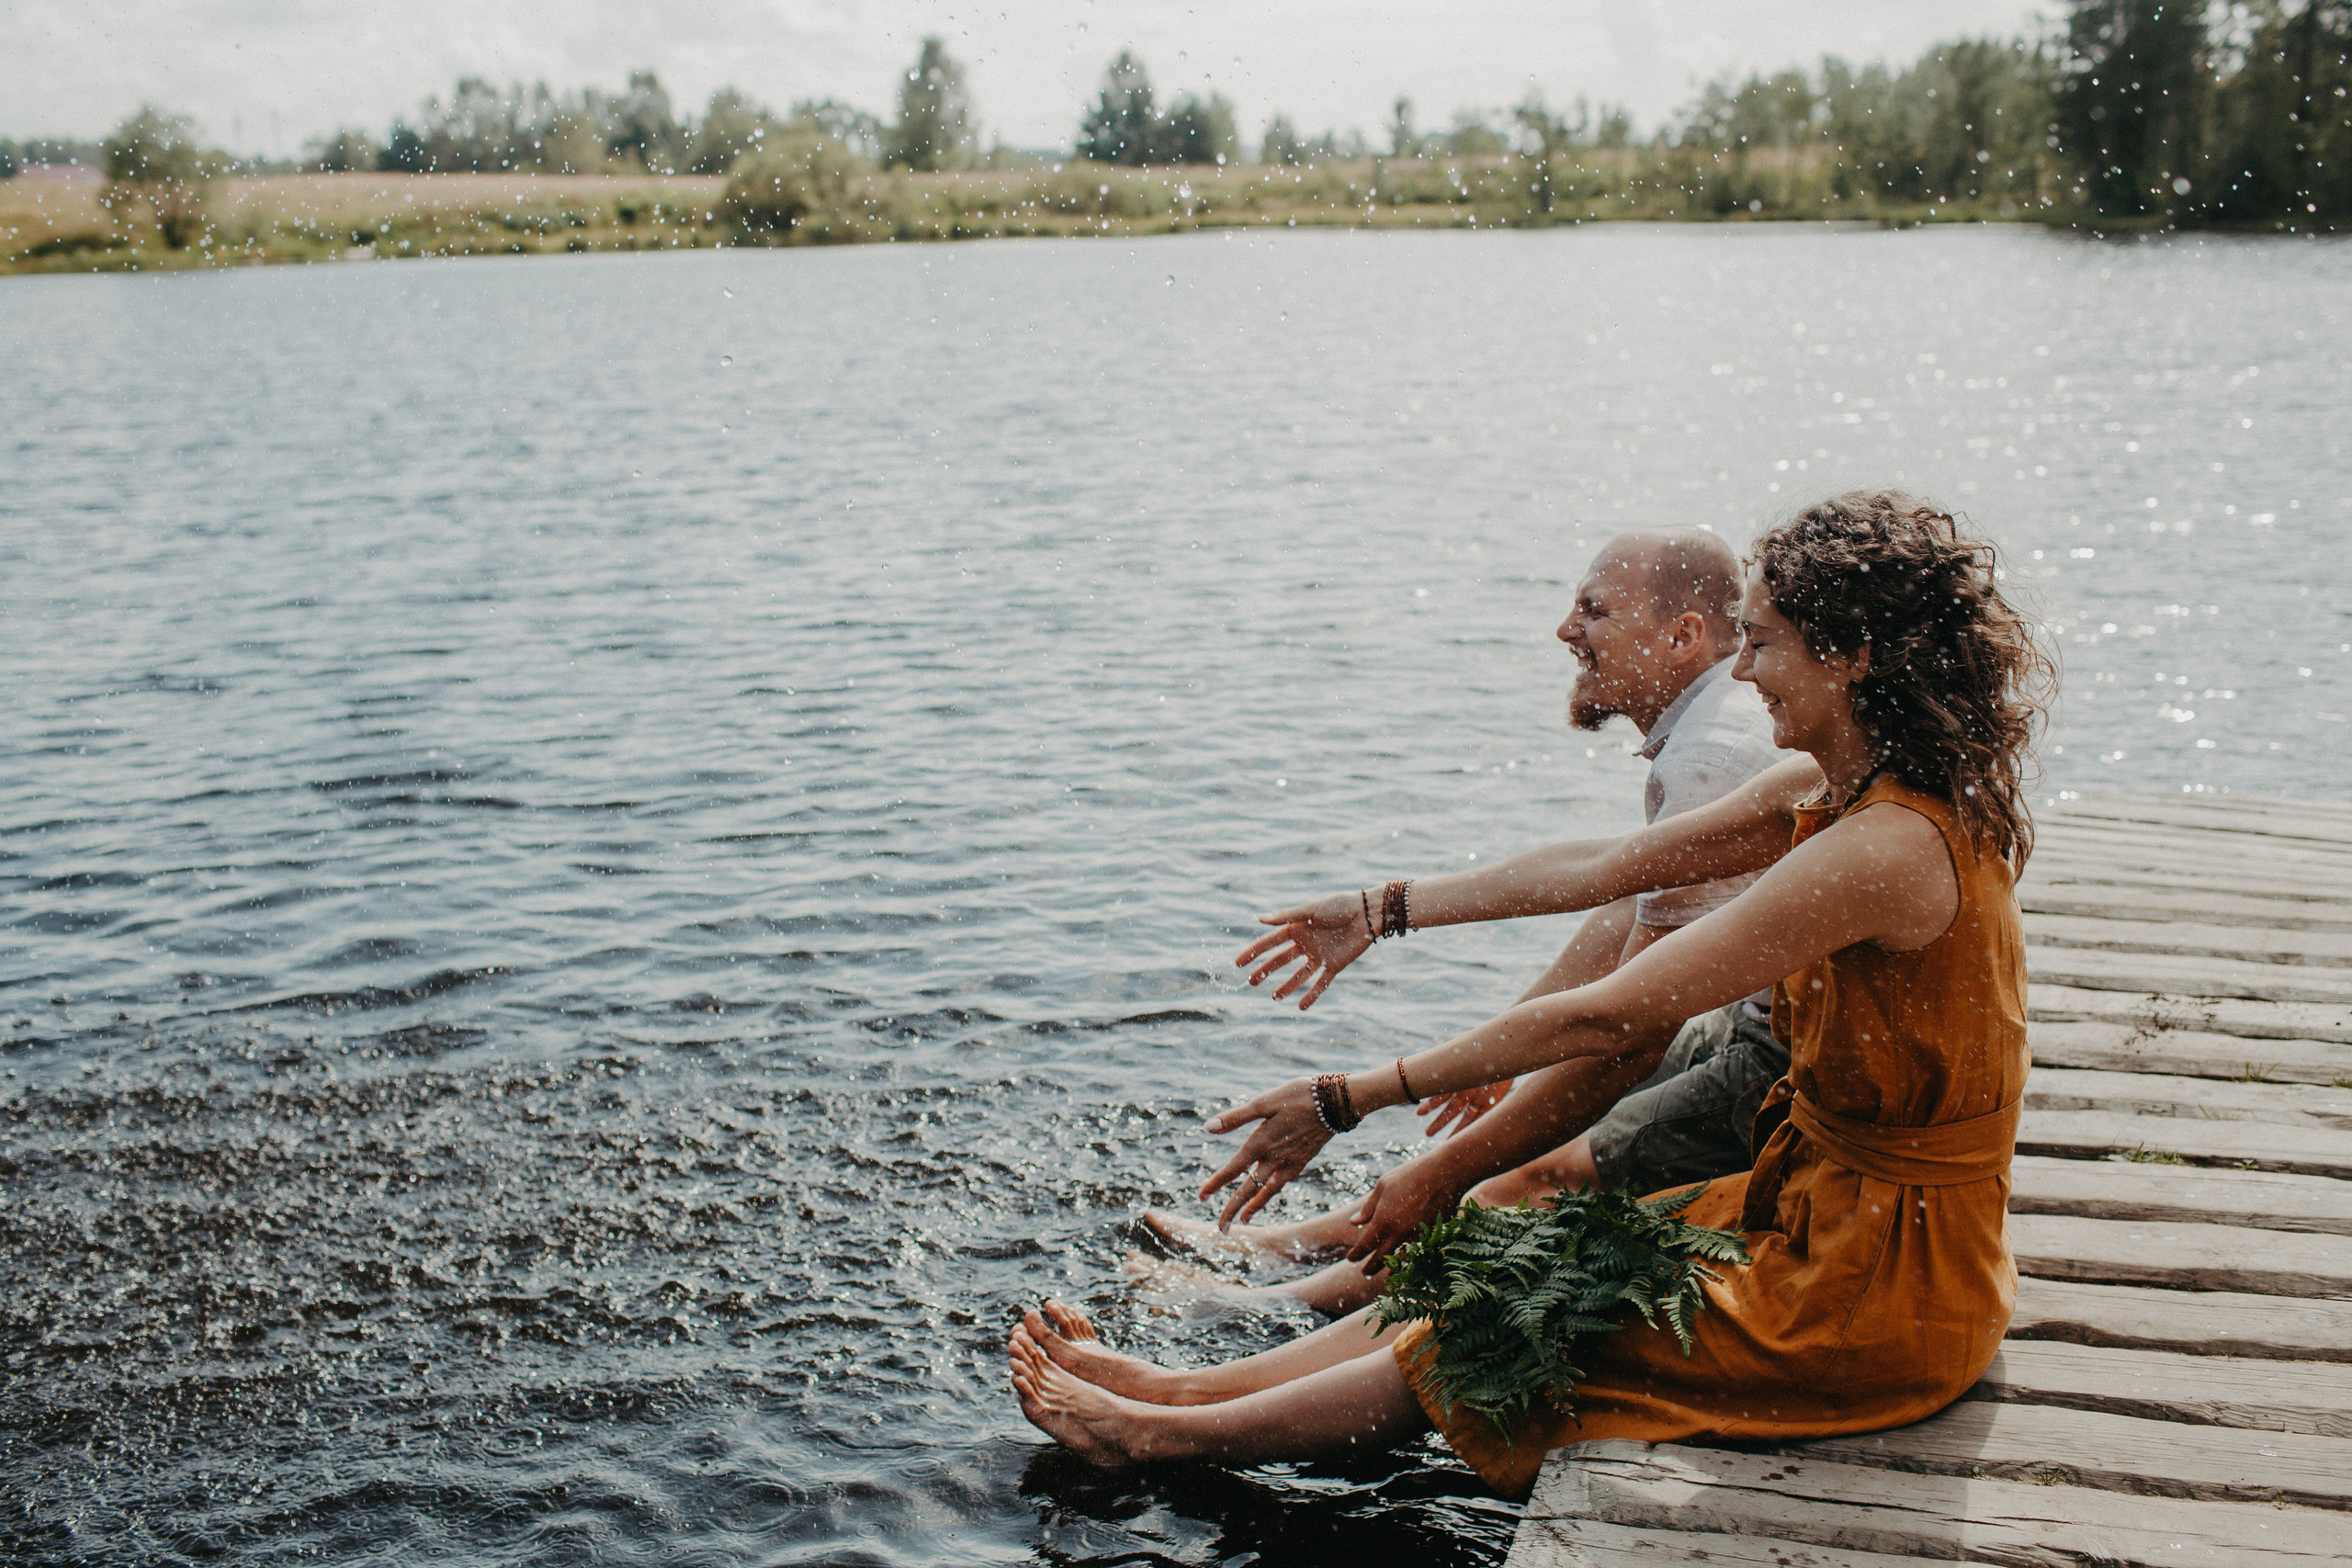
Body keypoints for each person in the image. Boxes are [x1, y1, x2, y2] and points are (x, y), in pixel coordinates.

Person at [1010, 491, 2050, 1496]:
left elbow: (1614, 1015)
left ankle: (1153, 1436)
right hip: (1820, 1214)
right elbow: (1604, 867)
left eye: (1764, 643)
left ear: (1852, 657)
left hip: (1881, 1290)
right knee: (1504, 1244)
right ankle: (1181, 1390)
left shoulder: (1887, 847)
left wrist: (1353, 1095)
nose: (1741, 669)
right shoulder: (1827, 791)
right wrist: (1385, 907)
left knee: (1505, 1317)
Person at [1138, 526, 1791, 1314]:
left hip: (1788, 1066)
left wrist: (1400, 1137)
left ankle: (1283, 1307)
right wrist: (1493, 1043)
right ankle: (1311, 1240)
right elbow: (1614, 890)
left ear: (1684, 634)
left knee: (1523, 1179)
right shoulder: (1724, 719)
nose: (1564, 630)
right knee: (1537, 1110)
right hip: (1763, 1022)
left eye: (1594, 609)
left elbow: (1624, 1033)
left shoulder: (1712, 754)